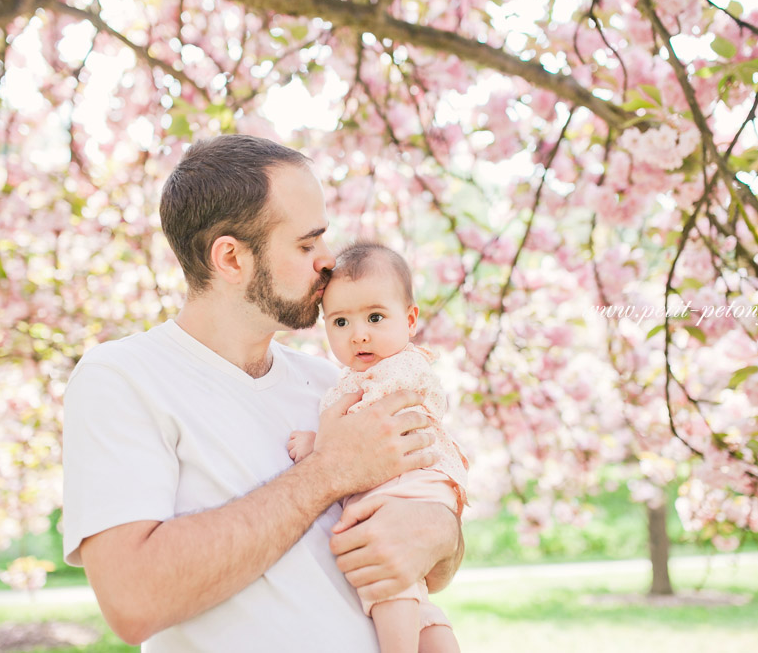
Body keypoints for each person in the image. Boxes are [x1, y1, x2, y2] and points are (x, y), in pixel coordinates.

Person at [61, 134, 464, 652]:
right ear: (231, 258)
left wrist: (438, 529)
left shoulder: (335, 383)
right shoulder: (121, 378)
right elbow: (133, 599)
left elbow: (434, 537)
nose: (328, 262)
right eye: (305, 244)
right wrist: (328, 471)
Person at [287, 242, 468, 653]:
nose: (359, 334)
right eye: (340, 322)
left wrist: (319, 444)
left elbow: (368, 433)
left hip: (406, 484)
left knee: (388, 586)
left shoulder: (399, 367)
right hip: (406, 486)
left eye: (374, 317)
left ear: (410, 320)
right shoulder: (353, 376)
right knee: (416, 598)